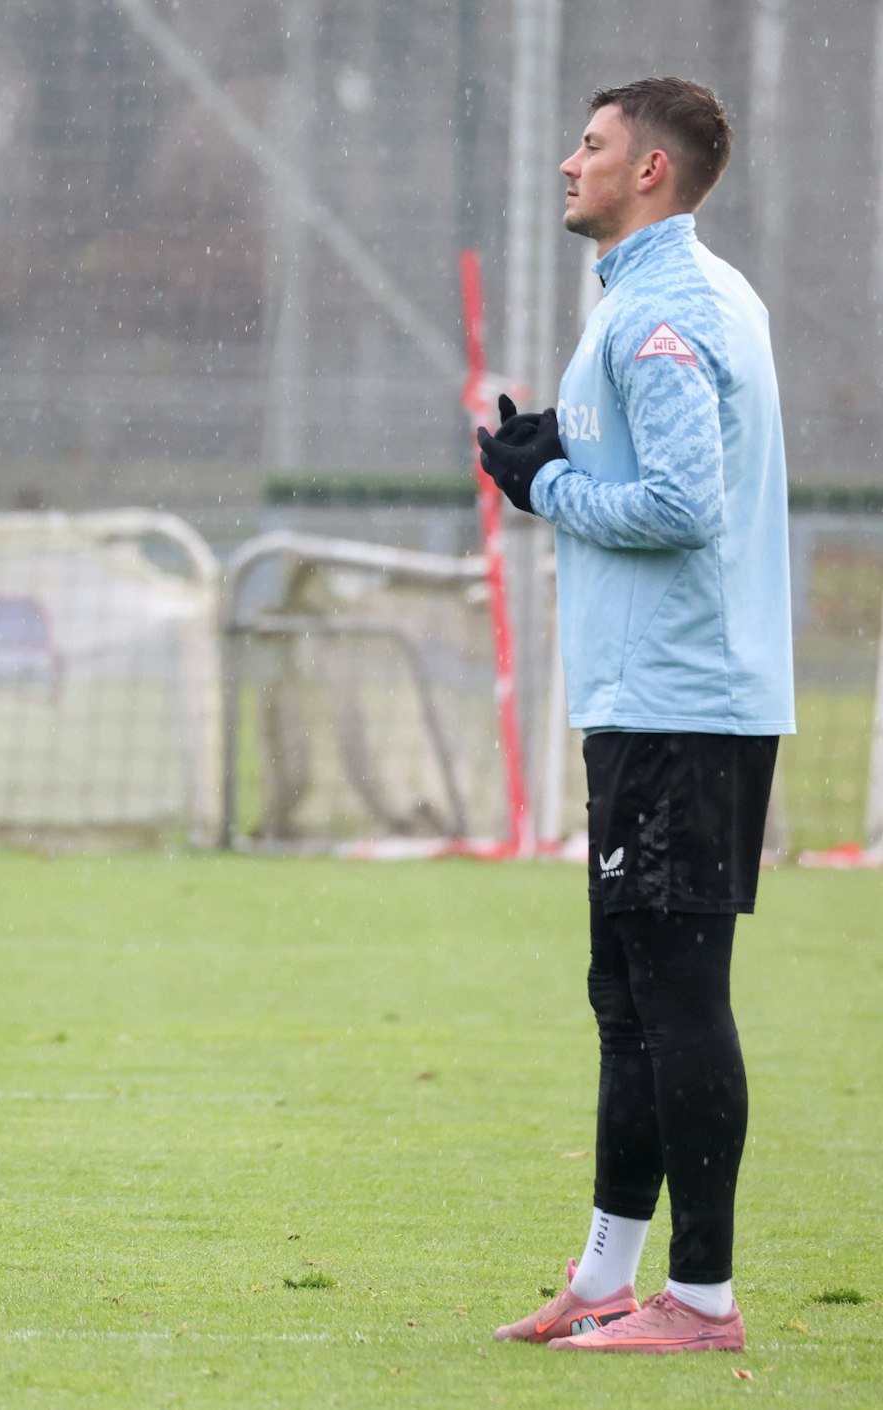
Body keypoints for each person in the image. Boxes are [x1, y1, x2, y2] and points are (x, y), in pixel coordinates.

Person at [476, 78, 792, 1353]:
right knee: (626, 993)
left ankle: (701, 1301)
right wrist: (561, 456)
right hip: (658, 697)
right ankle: (606, 1276)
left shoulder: (662, 309)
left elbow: (676, 504)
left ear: (646, 172)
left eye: (592, 145)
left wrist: (546, 483)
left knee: (675, 996)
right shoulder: (675, 296)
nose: (567, 161)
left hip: (681, 699)